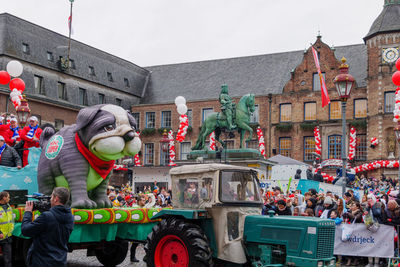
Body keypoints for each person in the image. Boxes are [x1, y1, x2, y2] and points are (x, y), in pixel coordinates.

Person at [21, 187, 74, 267]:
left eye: (51, 197)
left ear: (56, 199)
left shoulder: (47, 217)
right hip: (60, 261)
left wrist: (28, 212)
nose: (50, 199)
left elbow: (25, 230)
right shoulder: (70, 217)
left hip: (42, 262)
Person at [0, 191, 14, 267]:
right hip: (0, 235)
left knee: (8, 260)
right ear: (4, 198)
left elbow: (11, 220)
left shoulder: (9, 207)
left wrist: (11, 229)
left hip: (7, 237)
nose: (9, 199)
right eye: (8, 197)